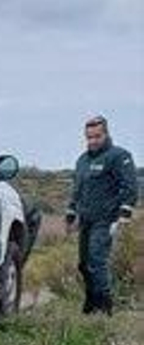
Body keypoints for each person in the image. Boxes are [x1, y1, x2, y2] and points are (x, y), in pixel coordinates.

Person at [66, 115, 136, 314]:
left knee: (97, 261)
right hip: (86, 220)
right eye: (89, 137)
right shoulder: (82, 160)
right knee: (83, 264)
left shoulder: (119, 156)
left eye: (97, 136)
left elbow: (129, 186)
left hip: (106, 219)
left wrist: (124, 214)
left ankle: (104, 307)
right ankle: (91, 302)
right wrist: (71, 213)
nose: (93, 141)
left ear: (106, 134)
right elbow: (77, 189)